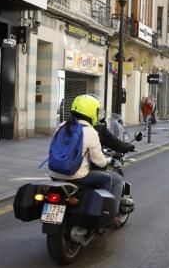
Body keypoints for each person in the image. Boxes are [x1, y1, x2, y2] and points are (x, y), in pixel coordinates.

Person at [49, 95, 125, 227]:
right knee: (112, 179)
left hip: (54, 174)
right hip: (77, 176)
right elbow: (99, 161)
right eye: (96, 111)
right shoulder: (90, 131)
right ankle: (107, 214)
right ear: (91, 112)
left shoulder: (61, 126)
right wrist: (107, 162)